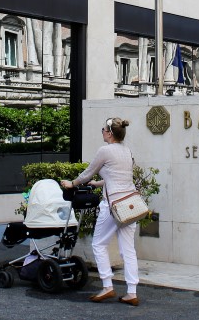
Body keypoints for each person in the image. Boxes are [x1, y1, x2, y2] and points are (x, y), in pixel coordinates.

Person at [61, 117, 140, 306]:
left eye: (103, 129)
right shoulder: (126, 151)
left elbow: (88, 172)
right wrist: (98, 183)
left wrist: (71, 183)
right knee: (128, 250)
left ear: (110, 133)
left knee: (98, 244)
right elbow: (120, 176)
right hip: (129, 203)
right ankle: (132, 292)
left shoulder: (105, 151)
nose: (102, 132)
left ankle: (107, 286)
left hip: (112, 204)